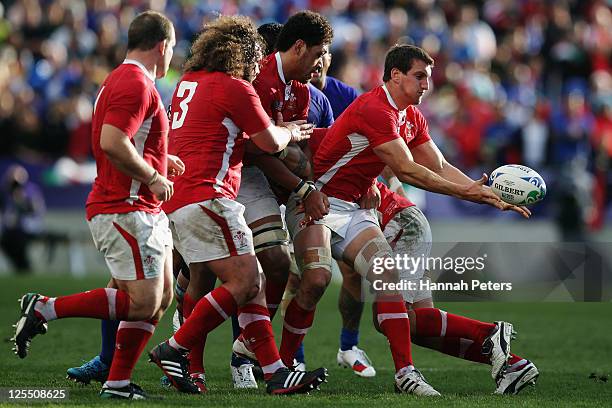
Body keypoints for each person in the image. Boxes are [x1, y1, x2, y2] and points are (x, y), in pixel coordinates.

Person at [282, 44, 531, 396]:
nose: (427, 85)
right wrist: (467, 194)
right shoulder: (375, 108)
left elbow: (439, 166)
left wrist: (488, 193)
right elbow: (406, 170)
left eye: (428, 78)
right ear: (395, 76)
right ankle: (281, 366)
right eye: (420, 77)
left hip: (354, 209)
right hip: (316, 202)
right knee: (315, 281)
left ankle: (405, 373)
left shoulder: (411, 116)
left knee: (387, 274)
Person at [145, 15, 327, 396]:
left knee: (234, 282)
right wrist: (292, 131)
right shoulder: (235, 87)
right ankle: (175, 349)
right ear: (242, 53)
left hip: (178, 197)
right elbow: (270, 141)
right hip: (209, 195)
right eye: (254, 55)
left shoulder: (187, 82)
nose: (255, 64)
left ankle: (274, 371)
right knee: (248, 279)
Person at [12, 11, 180, 400]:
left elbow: (126, 140)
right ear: (162, 46)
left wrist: (159, 159)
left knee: (159, 299)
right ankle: (44, 309)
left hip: (139, 206)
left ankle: (117, 383)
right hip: (125, 205)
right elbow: (112, 141)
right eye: (172, 49)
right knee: (143, 302)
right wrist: (154, 176)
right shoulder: (135, 83)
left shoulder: (120, 80)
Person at [0, 165, 46, 273]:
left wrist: (21, 200)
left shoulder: (30, 189)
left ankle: (24, 266)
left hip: (29, 226)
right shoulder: (6, 192)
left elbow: (35, 210)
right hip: (12, 229)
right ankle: (20, 266)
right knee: (7, 241)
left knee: (17, 239)